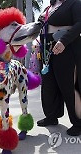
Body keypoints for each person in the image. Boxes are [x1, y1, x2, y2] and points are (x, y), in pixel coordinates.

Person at [37, 0, 81, 136]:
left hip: (66, 49)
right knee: (49, 85)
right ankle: (51, 116)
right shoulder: (48, 8)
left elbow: (80, 24)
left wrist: (64, 41)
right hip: (46, 50)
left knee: (69, 85)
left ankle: (78, 122)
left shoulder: (74, 3)